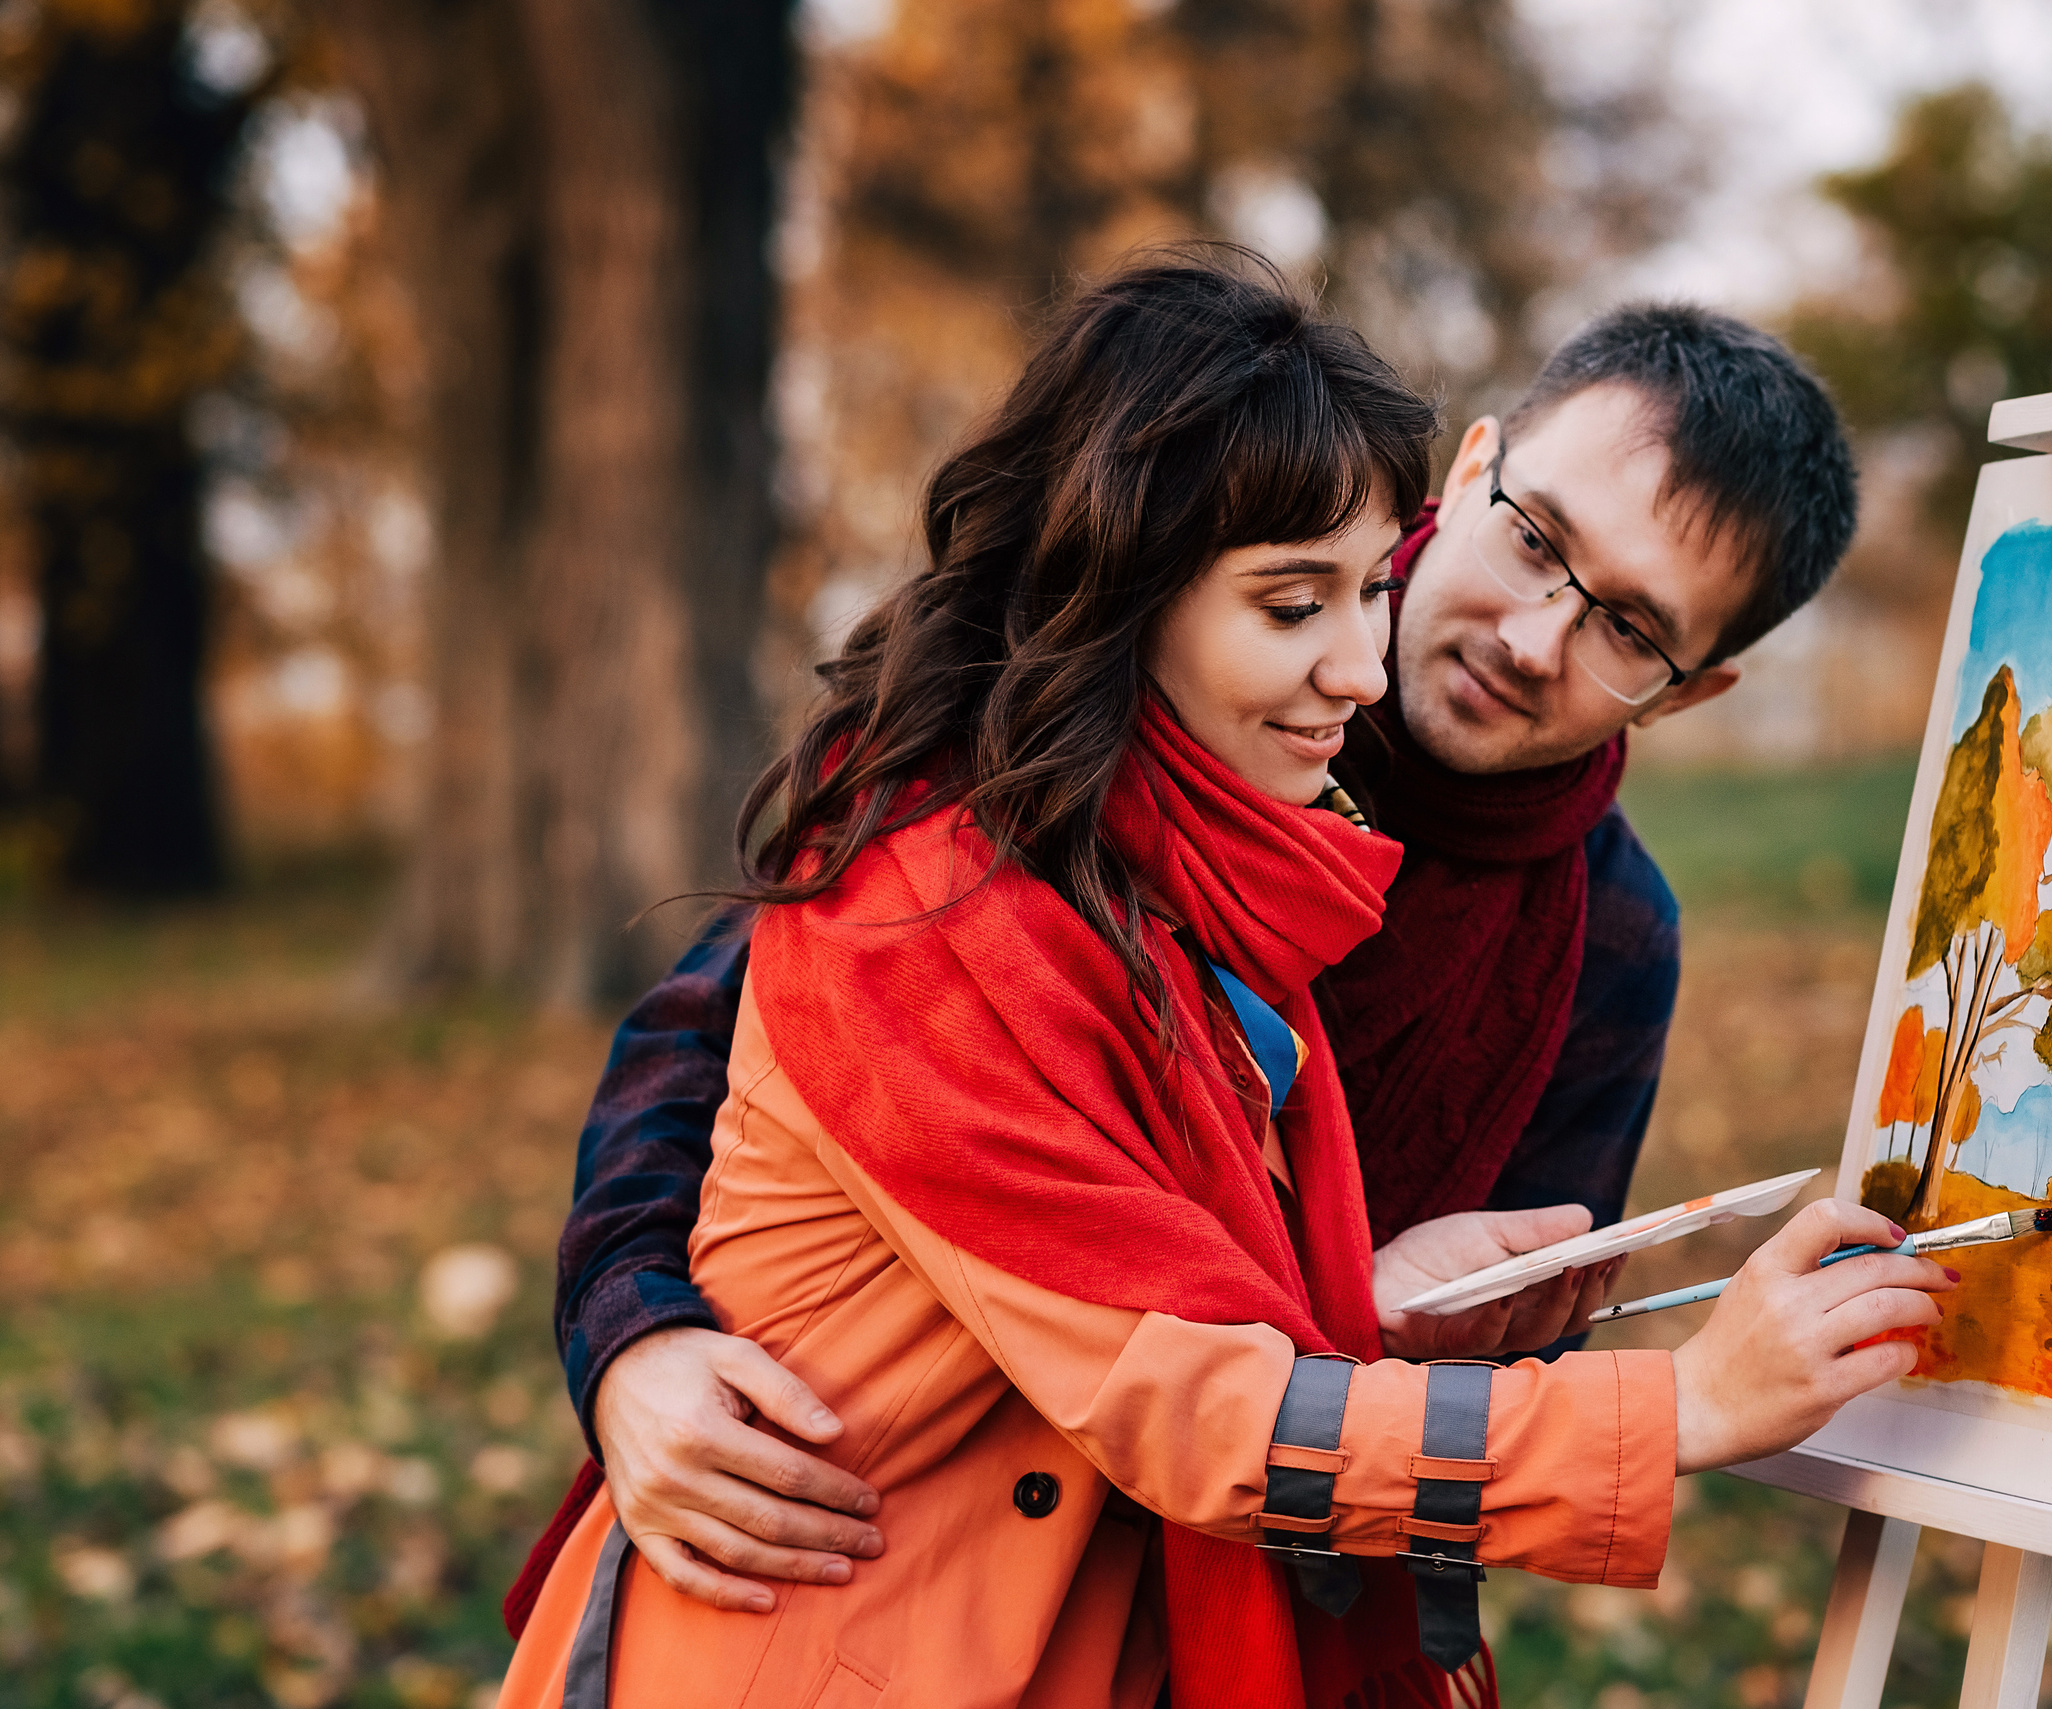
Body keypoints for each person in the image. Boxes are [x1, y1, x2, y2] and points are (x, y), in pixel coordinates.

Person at [498, 253, 1946, 1708]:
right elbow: (732, 1054)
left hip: (1199, 1594)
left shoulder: (1582, 929)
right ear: (1479, 463)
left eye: (1629, 628)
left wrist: (1375, 1310)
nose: (1525, 637)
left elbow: (1222, 1328)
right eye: (1534, 540)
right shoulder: (1016, 800)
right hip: (873, 1584)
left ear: (1689, 689)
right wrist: (635, 1330)